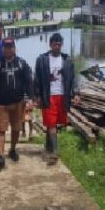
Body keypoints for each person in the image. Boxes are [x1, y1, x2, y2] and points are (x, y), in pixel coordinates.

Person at [33, 32, 80, 165]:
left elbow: (73, 79)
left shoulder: (67, 60)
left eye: (59, 44)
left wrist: (76, 93)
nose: (57, 46)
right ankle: (55, 152)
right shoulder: (42, 59)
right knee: (51, 123)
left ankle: (48, 146)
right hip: (48, 96)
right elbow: (36, 79)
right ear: (50, 44)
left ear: (61, 45)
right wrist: (37, 96)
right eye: (55, 44)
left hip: (62, 96)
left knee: (53, 123)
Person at [0, 38, 33, 170]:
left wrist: (30, 98)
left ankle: (12, 149)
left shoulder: (22, 63)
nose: (8, 49)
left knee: (16, 129)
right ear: (2, 49)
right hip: (1, 104)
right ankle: (0, 156)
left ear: (14, 48)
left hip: (18, 103)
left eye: (10, 47)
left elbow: (28, 81)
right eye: (6, 47)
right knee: (1, 130)